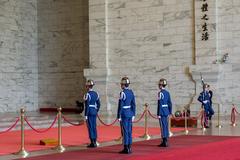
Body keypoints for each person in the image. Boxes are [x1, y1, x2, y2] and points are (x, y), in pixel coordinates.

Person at [117, 77, 136, 154]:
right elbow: (133, 104)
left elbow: (120, 105)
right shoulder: (131, 92)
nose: (121, 85)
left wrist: (118, 115)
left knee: (124, 131)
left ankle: (126, 148)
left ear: (124, 85)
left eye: (122, 84)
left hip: (124, 113)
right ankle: (129, 147)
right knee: (129, 131)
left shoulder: (122, 93)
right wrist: (133, 114)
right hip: (130, 113)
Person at [84, 79, 101, 148]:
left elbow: (87, 105)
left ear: (88, 86)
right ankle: (95, 140)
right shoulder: (96, 93)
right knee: (94, 126)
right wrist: (96, 110)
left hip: (89, 111)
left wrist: (85, 114)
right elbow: (99, 104)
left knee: (90, 127)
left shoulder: (87, 94)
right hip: (94, 110)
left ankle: (92, 142)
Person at [157, 78, 172, 147]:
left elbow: (159, 104)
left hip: (162, 111)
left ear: (161, 85)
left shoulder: (160, 93)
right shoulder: (167, 93)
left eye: (159, 85)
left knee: (162, 126)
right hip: (166, 111)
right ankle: (166, 139)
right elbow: (170, 103)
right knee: (166, 126)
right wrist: (170, 111)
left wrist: (158, 113)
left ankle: (164, 141)